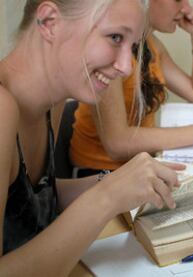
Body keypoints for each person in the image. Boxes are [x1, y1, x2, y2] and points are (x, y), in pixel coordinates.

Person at [0, 1, 182, 275]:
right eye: (115, 38)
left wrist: (111, 182)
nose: (126, 67)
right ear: (49, 22)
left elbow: (30, 201)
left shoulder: (54, 95)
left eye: (131, 46)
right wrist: (106, 197)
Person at [70, 0, 193, 177]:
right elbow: (117, 143)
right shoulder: (113, 53)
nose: (187, 9)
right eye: (178, 0)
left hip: (138, 167)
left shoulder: (152, 46)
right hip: (99, 175)